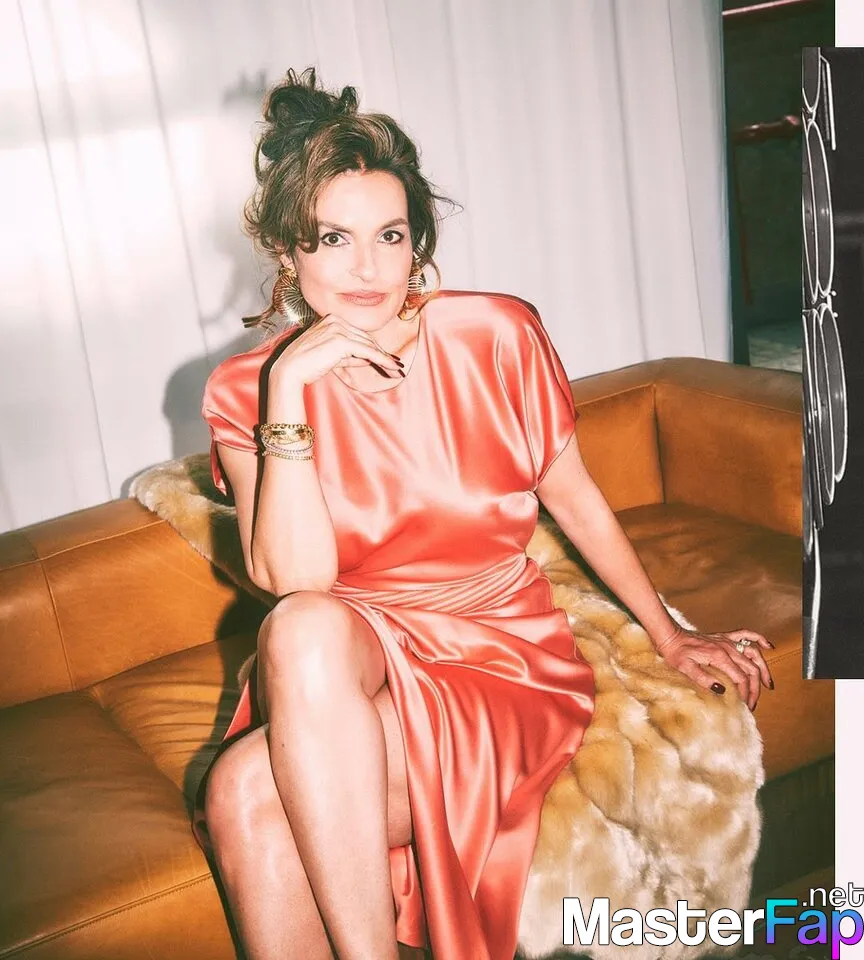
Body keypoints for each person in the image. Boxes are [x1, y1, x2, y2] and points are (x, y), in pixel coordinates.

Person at [190, 67, 774, 960]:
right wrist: (289, 392)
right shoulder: (249, 390)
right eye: (333, 239)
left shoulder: (494, 335)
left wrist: (669, 635)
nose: (367, 267)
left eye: (389, 235)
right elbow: (297, 581)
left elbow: (575, 497)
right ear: (287, 254)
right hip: (347, 654)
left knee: (241, 792)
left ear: (416, 241)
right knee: (302, 623)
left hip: (497, 649)